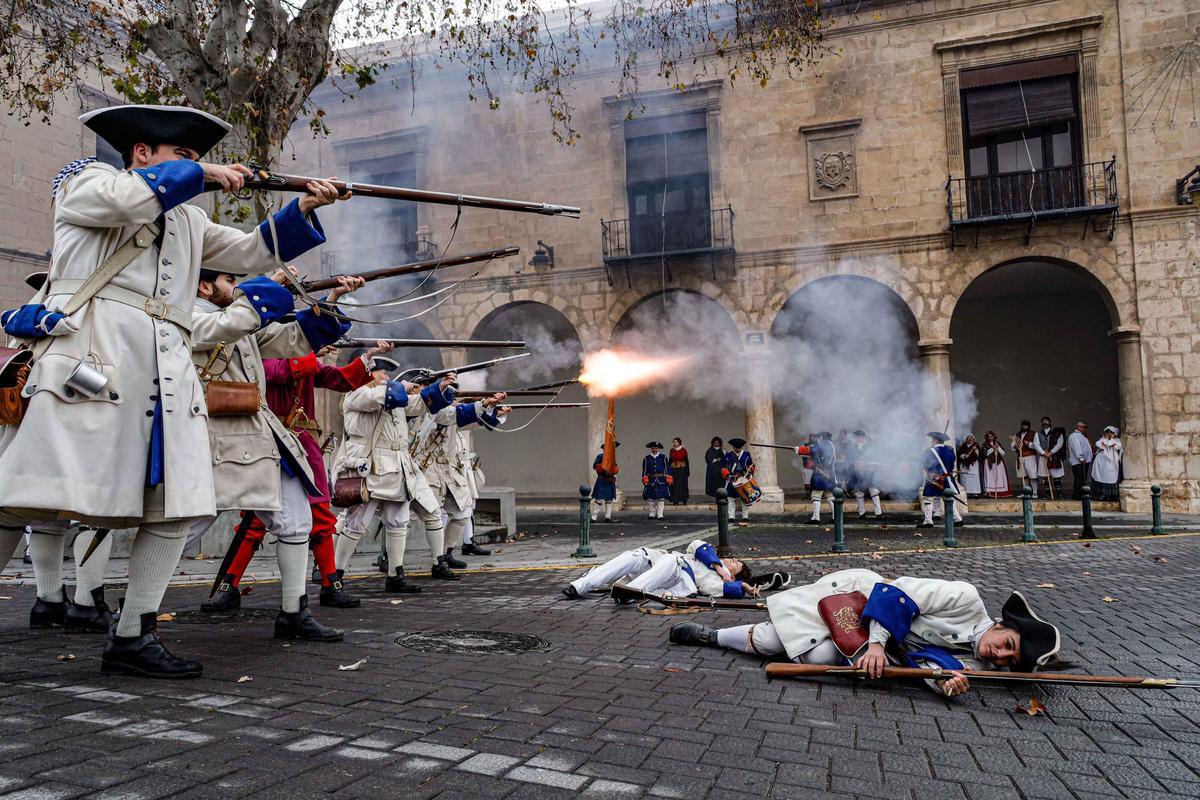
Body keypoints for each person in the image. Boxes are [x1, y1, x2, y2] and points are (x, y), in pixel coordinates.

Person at [0, 104, 347, 677]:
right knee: (18, 499)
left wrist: (303, 208)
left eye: (197, 158)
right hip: (92, 360)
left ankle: (133, 635)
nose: (197, 166)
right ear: (142, 153)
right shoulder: (89, 182)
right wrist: (203, 174)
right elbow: (124, 202)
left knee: (174, 508)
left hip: (163, 376)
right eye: (183, 155)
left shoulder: (188, 222)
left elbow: (250, 251)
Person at [185, 266, 357, 643]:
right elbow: (237, 330)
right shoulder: (188, 316)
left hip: (254, 437)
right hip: (204, 439)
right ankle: (134, 617)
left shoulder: (240, 320)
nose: (237, 288)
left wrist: (331, 299)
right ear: (204, 286)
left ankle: (293, 612)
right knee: (181, 526)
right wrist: (267, 287)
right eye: (231, 281)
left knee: (296, 520)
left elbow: (291, 338)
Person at [201, 341, 396, 614]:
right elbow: (277, 371)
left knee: (321, 518)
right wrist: (310, 353)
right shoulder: (262, 356)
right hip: (267, 445)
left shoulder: (306, 363)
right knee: (254, 520)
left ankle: (330, 584)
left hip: (303, 447)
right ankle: (229, 585)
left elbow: (342, 379)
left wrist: (368, 355)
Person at [668, 568, 1062, 698]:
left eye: (1009, 660)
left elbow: (925, 665)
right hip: (861, 601)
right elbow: (897, 594)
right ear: (1003, 626)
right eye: (1007, 644)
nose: (999, 655)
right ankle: (710, 636)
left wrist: (943, 682)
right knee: (772, 640)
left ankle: (795, 644)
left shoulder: (979, 664)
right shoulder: (966, 597)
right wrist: (875, 644)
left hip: (880, 648)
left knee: (818, 657)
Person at [332, 358, 457, 593]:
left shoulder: (391, 396)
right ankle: (335, 576)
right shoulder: (356, 394)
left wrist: (440, 387)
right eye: (381, 373)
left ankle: (395, 575)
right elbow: (379, 397)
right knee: (356, 523)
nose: (386, 377)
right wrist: (402, 386)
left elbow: (418, 404)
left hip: (397, 469)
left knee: (398, 521)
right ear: (366, 374)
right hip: (370, 469)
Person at [409, 391, 509, 568]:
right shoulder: (425, 412)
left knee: (462, 512)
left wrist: (491, 409)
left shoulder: (450, 415)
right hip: (428, 471)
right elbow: (451, 415)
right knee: (406, 518)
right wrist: (482, 404)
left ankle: (445, 554)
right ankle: (389, 557)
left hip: (448, 472)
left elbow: (473, 422)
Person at [561, 540, 759, 601]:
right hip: (659, 566)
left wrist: (741, 585)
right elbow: (696, 544)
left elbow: (711, 590)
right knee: (637, 555)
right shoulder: (711, 557)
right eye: (735, 559)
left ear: (733, 576)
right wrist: (718, 567)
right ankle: (579, 586)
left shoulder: (717, 581)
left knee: (671, 560)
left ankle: (630, 592)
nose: (733, 560)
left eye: (736, 564)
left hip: (676, 575)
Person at [919, 431, 962, 528]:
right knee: (949, 498)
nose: (931, 442)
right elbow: (951, 466)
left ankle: (928, 521)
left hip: (933, 479)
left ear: (935, 440)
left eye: (932, 440)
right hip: (946, 478)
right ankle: (958, 519)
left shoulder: (929, 451)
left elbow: (925, 464)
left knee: (928, 499)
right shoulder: (950, 451)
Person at [796, 432, 837, 525]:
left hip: (821, 474)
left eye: (818, 438)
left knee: (816, 495)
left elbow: (813, 449)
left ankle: (816, 518)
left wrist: (800, 450)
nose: (817, 440)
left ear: (821, 438)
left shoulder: (824, 444)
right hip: (827, 474)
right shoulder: (829, 445)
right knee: (829, 496)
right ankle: (836, 517)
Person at [846, 429, 882, 519]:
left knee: (874, 491)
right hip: (857, 473)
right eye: (858, 437)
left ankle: (878, 513)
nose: (860, 438)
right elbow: (849, 460)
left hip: (869, 471)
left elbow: (874, 459)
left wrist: (866, 465)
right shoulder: (852, 448)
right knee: (859, 492)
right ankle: (862, 513)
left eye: (861, 437)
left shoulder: (869, 446)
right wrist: (854, 465)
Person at [722, 438, 755, 524]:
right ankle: (731, 516)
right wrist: (727, 474)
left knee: (744, 498)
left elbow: (751, 465)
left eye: (739, 447)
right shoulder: (728, 456)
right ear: (733, 447)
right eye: (736, 447)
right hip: (732, 479)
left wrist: (749, 470)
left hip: (742, 479)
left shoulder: (746, 455)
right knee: (730, 498)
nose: (737, 449)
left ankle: (745, 516)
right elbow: (724, 467)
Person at [1033, 417, 1066, 499]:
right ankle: (1048, 494)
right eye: (1043, 421)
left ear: (1050, 423)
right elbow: (1036, 444)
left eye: (1046, 421)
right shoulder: (1037, 434)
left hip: (1054, 456)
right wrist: (1044, 453)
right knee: (1045, 477)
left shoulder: (1056, 433)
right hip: (1043, 456)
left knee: (1056, 476)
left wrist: (1051, 452)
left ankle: (1059, 494)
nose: (1045, 423)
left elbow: (1060, 443)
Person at [642, 442, 671, 519]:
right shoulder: (646, 458)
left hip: (661, 480)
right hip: (651, 480)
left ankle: (660, 514)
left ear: (658, 449)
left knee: (661, 498)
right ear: (651, 449)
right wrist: (645, 479)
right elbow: (644, 471)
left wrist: (668, 479)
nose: (655, 450)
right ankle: (652, 513)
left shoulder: (663, 457)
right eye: (653, 448)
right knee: (651, 498)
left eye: (656, 448)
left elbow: (667, 469)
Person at [1092, 426, 1123, 501]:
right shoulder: (1102, 439)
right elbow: (1098, 444)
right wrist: (1106, 441)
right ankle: (1102, 494)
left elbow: (1116, 447)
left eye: (1111, 432)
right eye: (1107, 432)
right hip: (1102, 461)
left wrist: (1111, 440)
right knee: (1101, 476)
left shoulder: (1118, 440)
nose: (1109, 434)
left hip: (1112, 462)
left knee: (1112, 476)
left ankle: (1112, 495)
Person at [591, 442, 619, 522]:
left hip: (609, 480)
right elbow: (595, 466)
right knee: (599, 499)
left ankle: (608, 517)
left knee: (609, 500)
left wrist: (614, 469)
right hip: (602, 480)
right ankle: (593, 517)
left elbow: (615, 469)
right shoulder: (600, 456)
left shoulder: (613, 458)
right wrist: (602, 467)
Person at [1067, 421, 1093, 500]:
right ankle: (1077, 494)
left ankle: (1081, 494)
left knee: (1082, 479)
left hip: (1084, 461)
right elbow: (1076, 447)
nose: (1085, 429)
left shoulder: (1082, 436)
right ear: (1078, 427)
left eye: (1085, 427)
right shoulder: (1074, 436)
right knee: (1079, 479)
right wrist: (1080, 458)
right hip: (1078, 461)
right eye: (1084, 427)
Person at [981, 431, 1011, 498]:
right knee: (990, 477)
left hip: (998, 462)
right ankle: (990, 491)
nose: (990, 438)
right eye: (988, 436)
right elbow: (985, 454)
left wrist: (998, 447)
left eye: (991, 436)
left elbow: (1003, 453)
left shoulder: (998, 443)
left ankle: (1000, 491)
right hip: (989, 463)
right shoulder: (984, 444)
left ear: (994, 436)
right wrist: (993, 448)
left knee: (999, 476)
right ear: (986, 437)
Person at [1012, 420, 1038, 497]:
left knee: (1032, 475)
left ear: (1029, 426)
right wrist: (1015, 447)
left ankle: (1035, 493)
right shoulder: (1017, 434)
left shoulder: (1034, 433)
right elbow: (1012, 446)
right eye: (1023, 425)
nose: (1024, 427)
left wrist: (1029, 443)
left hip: (1030, 456)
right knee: (1024, 476)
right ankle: (1026, 493)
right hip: (1020, 457)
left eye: (1026, 425)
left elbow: (1037, 445)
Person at [668, 438, 690, 506]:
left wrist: (687, 471)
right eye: (674, 442)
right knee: (674, 485)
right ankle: (675, 500)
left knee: (682, 485)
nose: (675, 444)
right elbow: (670, 460)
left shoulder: (684, 450)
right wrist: (668, 471)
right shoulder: (671, 450)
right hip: (674, 469)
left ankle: (684, 500)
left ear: (679, 443)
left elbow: (686, 461)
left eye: (676, 442)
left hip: (682, 469)